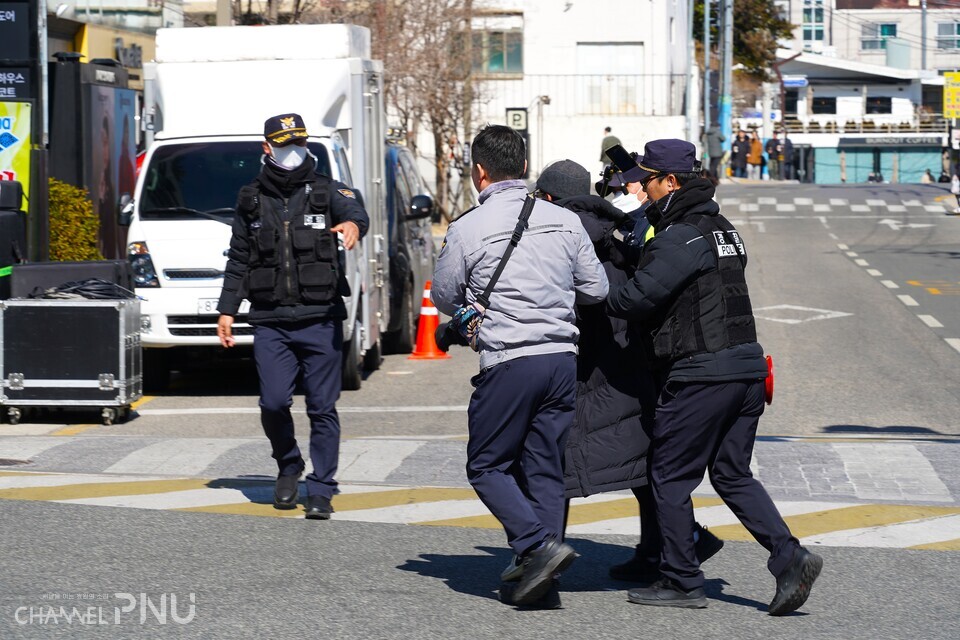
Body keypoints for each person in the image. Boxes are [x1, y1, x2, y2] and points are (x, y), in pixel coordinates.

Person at [606, 139, 823, 614]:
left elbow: (633, 300)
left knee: (668, 477)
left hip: (702, 375)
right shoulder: (722, 229)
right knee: (730, 473)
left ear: (671, 182)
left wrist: (599, 282)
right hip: (745, 372)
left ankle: (682, 580)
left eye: (647, 179)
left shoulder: (681, 236)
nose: (640, 188)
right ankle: (789, 557)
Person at [521, 159, 723, 588]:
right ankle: (664, 546)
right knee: (644, 461)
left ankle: (544, 562)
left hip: (583, 364)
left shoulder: (558, 235)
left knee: (550, 458)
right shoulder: (622, 230)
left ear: (551, 197)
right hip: (630, 362)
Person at [432, 127, 609, 608]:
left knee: (486, 464)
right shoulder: (563, 221)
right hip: (560, 362)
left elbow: (445, 297)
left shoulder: (468, 227)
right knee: (545, 468)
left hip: (510, 360)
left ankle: (536, 546)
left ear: (479, 171)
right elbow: (596, 290)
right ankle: (541, 582)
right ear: (526, 168)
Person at [217, 113, 369, 520]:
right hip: (270, 320)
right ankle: (288, 465)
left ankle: (321, 487)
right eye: (284, 145)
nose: (293, 152)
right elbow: (239, 257)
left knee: (322, 406)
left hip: (320, 318)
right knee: (272, 402)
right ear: (267, 149)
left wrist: (353, 225)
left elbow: (358, 215)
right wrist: (227, 310)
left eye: (298, 143)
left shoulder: (327, 190)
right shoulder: (250, 198)